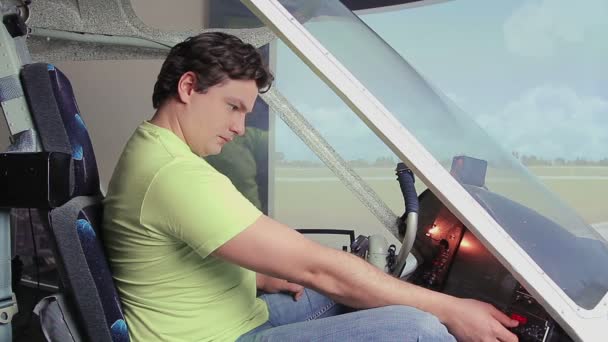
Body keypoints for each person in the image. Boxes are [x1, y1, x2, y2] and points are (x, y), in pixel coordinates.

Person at [102, 32, 519, 341]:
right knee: (421, 328)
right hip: (220, 336)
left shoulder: (155, 152)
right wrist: (453, 310)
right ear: (189, 87)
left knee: (374, 285)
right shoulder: (173, 175)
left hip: (233, 314)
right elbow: (315, 267)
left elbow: (167, 261)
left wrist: (257, 279)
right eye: (233, 107)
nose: (239, 127)